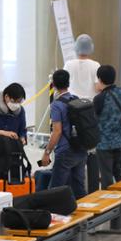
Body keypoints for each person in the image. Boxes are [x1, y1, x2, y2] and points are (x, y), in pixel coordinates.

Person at [40, 70, 88, 199]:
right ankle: (83, 216)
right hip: (81, 148)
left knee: (55, 189)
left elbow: (57, 131)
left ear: (54, 85)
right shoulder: (76, 100)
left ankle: (52, 216)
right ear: (68, 82)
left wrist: (47, 152)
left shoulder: (56, 105)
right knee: (78, 187)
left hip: (65, 151)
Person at [93, 65, 121, 188]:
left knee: (106, 176)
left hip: (104, 143)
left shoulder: (99, 98)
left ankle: (110, 204)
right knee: (119, 171)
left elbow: (93, 120)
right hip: (120, 140)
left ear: (100, 79)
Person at [63, 34, 101, 99]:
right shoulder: (96, 65)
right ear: (91, 47)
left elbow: (63, 86)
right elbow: (97, 88)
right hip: (90, 104)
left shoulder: (68, 64)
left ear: (76, 47)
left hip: (72, 103)